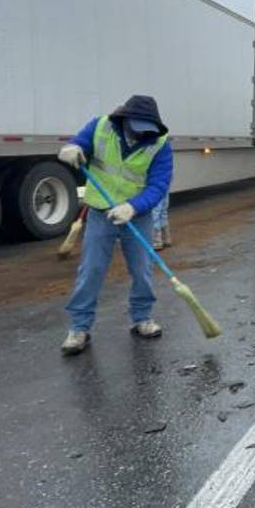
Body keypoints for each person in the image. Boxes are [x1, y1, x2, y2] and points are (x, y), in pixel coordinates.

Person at [56, 95, 173, 355]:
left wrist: (133, 207)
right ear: (125, 120)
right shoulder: (101, 127)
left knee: (142, 269)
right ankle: (79, 327)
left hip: (136, 214)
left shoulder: (160, 145)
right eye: (137, 129)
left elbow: (159, 185)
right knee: (92, 270)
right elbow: (79, 144)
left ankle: (142, 318)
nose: (141, 136)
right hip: (101, 212)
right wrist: (73, 148)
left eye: (147, 131)